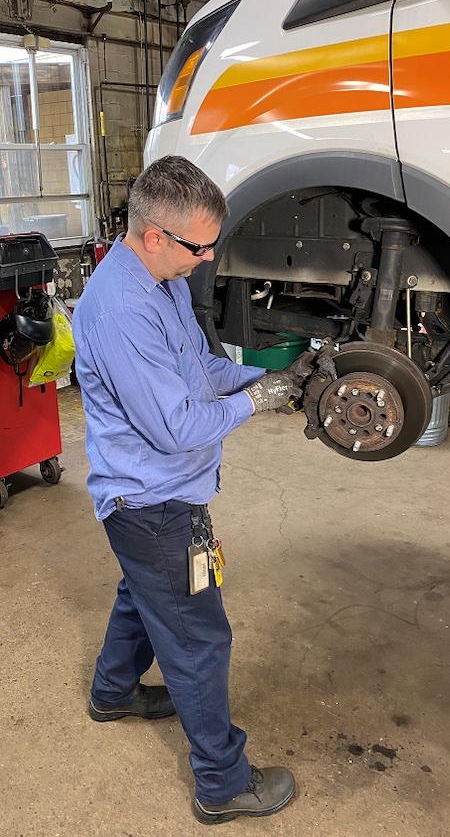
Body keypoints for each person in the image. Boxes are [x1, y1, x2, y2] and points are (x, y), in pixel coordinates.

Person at [73, 156, 305, 825]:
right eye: (199, 246)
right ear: (154, 235)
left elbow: (198, 365)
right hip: (152, 502)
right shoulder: (119, 309)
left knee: (142, 593)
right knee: (199, 637)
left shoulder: (163, 278)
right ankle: (222, 782)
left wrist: (261, 376)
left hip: (154, 501)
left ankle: (112, 691)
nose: (207, 258)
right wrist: (255, 403)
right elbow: (176, 425)